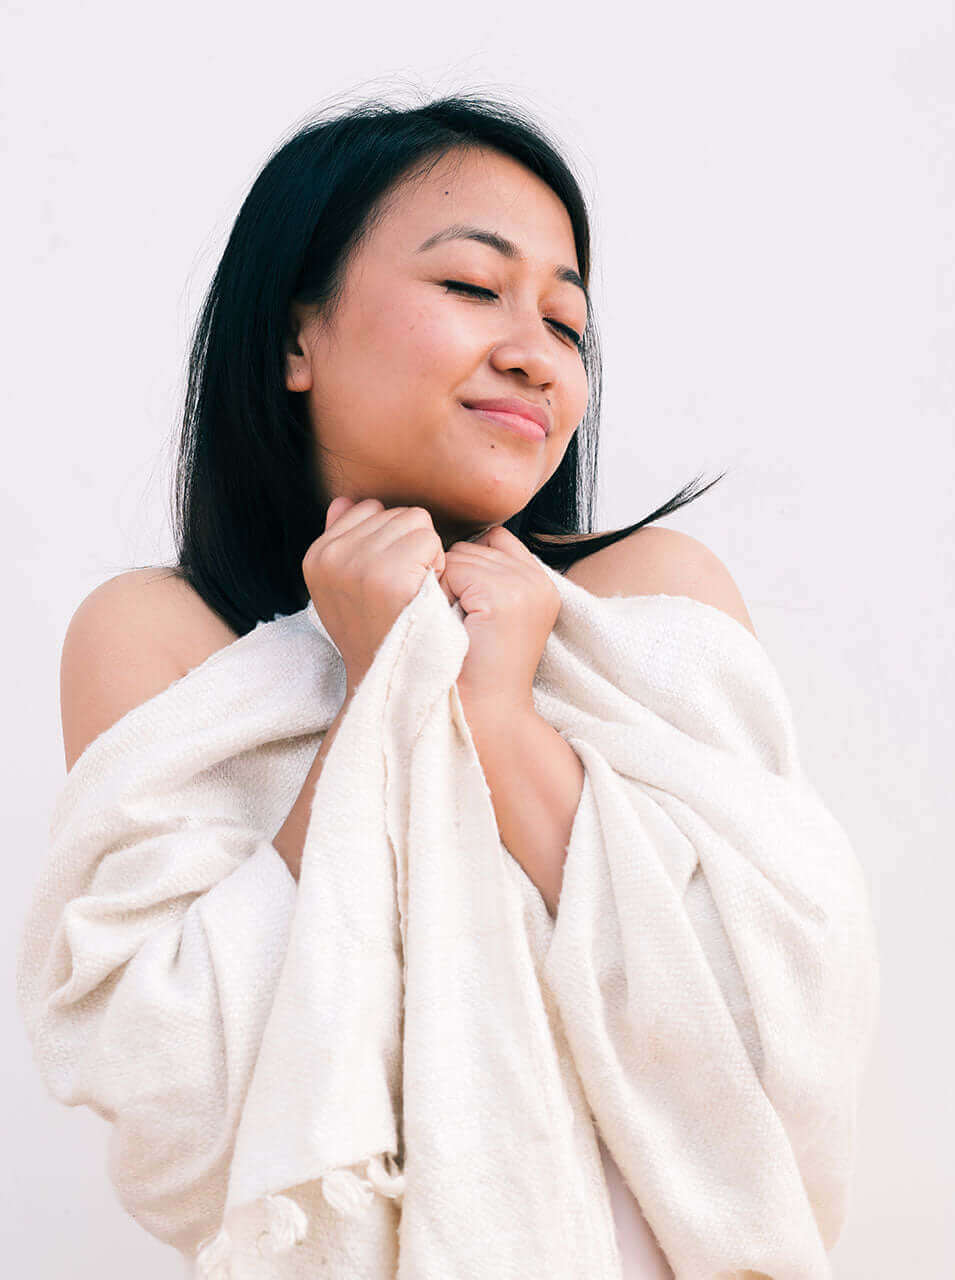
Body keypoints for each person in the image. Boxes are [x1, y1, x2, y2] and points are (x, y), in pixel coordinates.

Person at [57, 92, 766, 1277]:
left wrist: (492, 711)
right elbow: (177, 1094)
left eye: (566, 319)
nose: (534, 350)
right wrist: (385, 680)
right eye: (473, 289)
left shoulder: (654, 602)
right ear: (296, 339)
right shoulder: (163, 634)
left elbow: (757, 1031)